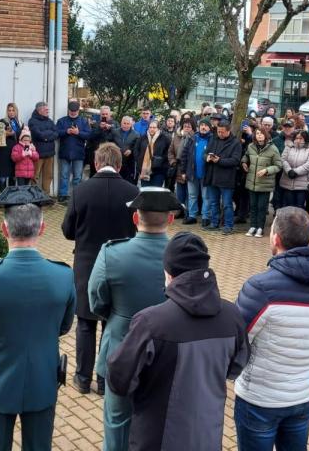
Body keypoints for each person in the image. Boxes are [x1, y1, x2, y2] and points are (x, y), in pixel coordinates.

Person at [106, 232, 249, 450]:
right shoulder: (233, 316)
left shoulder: (150, 322)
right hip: (208, 436)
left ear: (168, 273)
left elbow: (119, 379)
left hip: (156, 439)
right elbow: (235, 368)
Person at [0, 186, 75, 451]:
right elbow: (63, 326)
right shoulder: (62, 275)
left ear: (4, 230)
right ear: (42, 229)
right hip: (42, 378)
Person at [234, 207, 309, 451]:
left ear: (276, 238)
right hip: (304, 394)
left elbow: (237, 339)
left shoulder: (260, 288)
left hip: (261, 399)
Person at [88, 188, 179, 451]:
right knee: (160, 424)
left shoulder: (111, 253)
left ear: (135, 219)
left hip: (121, 346)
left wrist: (119, 315)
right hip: (168, 352)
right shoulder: (182, 256)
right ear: (171, 219)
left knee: (117, 424)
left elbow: (96, 301)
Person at [62, 143, 139, 395]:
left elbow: (67, 231)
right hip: (121, 265)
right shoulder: (132, 191)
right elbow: (136, 230)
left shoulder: (80, 191)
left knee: (85, 322)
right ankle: (105, 381)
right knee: (113, 325)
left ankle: (83, 379)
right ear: (119, 164)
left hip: (87, 264)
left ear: (96, 163)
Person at [204, 120, 243, 234]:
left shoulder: (235, 143)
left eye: (222, 132)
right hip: (212, 176)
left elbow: (235, 160)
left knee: (227, 204)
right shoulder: (213, 139)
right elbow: (205, 153)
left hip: (226, 178)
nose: (219, 134)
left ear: (228, 131)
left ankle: (228, 226)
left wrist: (219, 161)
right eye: (218, 131)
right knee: (213, 202)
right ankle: (214, 223)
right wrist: (207, 157)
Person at [242, 127, 282, 237]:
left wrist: (267, 170)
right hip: (252, 182)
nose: (259, 135)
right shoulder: (251, 146)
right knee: (253, 206)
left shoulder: (273, 148)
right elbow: (246, 156)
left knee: (262, 207)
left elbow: (278, 165)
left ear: (266, 135)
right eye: (257, 133)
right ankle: (252, 226)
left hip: (265, 183)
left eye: (261, 133)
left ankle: (260, 227)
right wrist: (244, 163)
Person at [56, 100, 92, 202]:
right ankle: (63, 195)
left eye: (75, 111)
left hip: (78, 153)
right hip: (65, 152)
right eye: (71, 110)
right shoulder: (61, 121)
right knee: (64, 175)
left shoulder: (84, 121)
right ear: (68, 110)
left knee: (77, 177)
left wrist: (78, 132)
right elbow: (57, 133)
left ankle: (76, 195)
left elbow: (89, 135)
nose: (73, 112)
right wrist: (66, 131)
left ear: (78, 111)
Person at [279, 130, 309, 212]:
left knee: (299, 209)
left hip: (302, 185)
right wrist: (288, 170)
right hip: (288, 182)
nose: (298, 140)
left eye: (301, 138)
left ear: (305, 139)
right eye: (296, 138)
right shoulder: (289, 146)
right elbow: (282, 159)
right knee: (288, 208)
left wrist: (296, 172)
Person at [27, 102, 58, 195]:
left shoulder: (50, 121)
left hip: (50, 154)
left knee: (48, 175)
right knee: (35, 176)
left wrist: (45, 136)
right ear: (39, 110)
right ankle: (34, 196)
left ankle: (46, 195)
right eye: (46, 109)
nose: (48, 111)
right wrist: (49, 134)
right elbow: (38, 134)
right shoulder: (32, 121)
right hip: (38, 153)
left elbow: (56, 133)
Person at [135, 119, 171, 188]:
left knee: (156, 193)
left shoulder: (165, 139)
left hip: (158, 171)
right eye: (150, 127)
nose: (152, 129)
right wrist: (139, 160)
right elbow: (136, 150)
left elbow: (168, 153)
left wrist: (160, 160)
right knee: (145, 192)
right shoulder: (142, 138)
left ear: (158, 128)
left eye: (154, 127)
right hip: (144, 171)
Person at [0, 102, 22, 191]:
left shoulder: (19, 123)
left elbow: (22, 137)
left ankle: (10, 198)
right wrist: (6, 134)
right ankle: (2, 198)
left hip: (15, 152)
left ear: (16, 111)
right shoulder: (2, 122)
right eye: (9, 110)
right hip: (4, 152)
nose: (11, 112)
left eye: (13, 110)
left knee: (13, 176)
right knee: (3, 176)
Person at [114, 116, 140, 184]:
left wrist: (131, 150)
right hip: (116, 161)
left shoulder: (136, 134)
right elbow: (109, 142)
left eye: (128, 123)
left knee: (128, 183)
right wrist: (115, 148)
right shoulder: (115, 132)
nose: (125, 125)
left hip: (129, 163)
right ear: (121, 123)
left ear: (131, 124)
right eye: (124, 123)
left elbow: (137, 147)